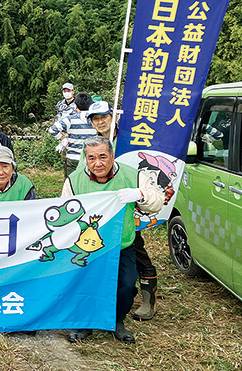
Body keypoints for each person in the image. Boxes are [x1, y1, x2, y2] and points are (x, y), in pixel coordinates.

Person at [63, 136, 163, 344]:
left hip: (122, 243)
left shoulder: (132, 176)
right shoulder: (74, 180)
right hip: (87, 246)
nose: (97, 163)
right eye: (91, 158)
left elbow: (157, 202)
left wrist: (140, 194)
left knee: (126, 285)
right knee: (85, 282)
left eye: (102, 156)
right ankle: (85, 323)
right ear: (85, 159)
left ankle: (116, 321)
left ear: (112, 156)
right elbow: (66, 211)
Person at [48, 91, 97, 179]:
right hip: (91, 158)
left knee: (71, 184)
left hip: (73, 158)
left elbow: (52, 129)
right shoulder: (95, 120)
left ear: (76, 106)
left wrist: (63, 139)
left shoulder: (70, 119)